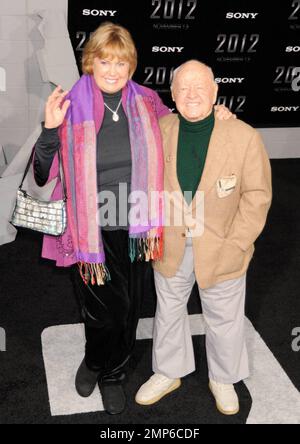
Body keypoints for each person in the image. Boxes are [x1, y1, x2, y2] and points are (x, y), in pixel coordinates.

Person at [33, 23, 232, 416]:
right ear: (91, 62)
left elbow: (182, 125)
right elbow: (41, 172)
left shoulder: (146, 101)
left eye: (120, 62)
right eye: (104, 60)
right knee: (100, 309)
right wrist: (50, 129)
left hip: (140, 221)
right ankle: (96, 362)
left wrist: (216, 114)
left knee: (128, 307)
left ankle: (115, 372)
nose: (112, 70)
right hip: (90, 226)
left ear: (130, 65)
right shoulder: (70, 104)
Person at [135, 60, 272, 416]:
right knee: (167, 310)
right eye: (183, 88)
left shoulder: (244, 136)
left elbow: (257, 196)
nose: (192, 94)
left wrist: (237, 243)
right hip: (171, 243)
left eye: (200, 87)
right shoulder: (159, 129)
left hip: (222, 245)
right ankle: (168, 371)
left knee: (225, 316)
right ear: (173, 94)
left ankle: (223, 378)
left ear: (215, 93)